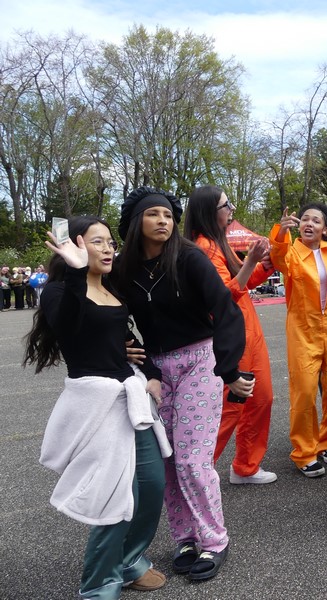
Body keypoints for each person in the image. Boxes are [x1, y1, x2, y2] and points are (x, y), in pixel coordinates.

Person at [24, 216, 170, 599]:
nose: (108, 249)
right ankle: (98, 585)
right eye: (98, 242)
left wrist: (152, 374)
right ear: (75, 246)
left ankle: (130, 561)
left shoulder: (111, 290)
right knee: (115, 495)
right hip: (98, 405)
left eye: (110, 243)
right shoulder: (58, 291)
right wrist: (75, 273)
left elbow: (129, 341)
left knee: (152, 486)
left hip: (131, 399)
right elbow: (68, 327)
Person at [115, 186, 248, 581]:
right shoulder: (123, 268)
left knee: (192, 459)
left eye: (168, 215)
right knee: (169, 459)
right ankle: (186, 537)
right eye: (152, 214)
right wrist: (130, 348)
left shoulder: (189, 258)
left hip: (199, 361)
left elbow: (225, 310)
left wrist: (229, 370)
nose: (163, 221)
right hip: (156, 371)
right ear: (135, 222)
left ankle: (215, 540)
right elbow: (107, 314)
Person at [184, 185, 278, 484]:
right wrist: (251, 261)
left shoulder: (218, 242)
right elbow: (224, 296)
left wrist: (265, 263)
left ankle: (245, 467)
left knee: (261, 399)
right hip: (232, 337)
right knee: (230, 408)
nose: (232, 210)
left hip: (249, 331)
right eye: (227, 205)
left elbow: (244, 282)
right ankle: (197, 473)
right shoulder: (203, 248)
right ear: (209, 212)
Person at [269, 203, 327, 477]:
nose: (309, 224)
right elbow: (277, 257)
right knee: (304, 392)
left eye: (316, 221)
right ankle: (304, 452)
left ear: (325, 228)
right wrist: (281, 231)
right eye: (305, 219)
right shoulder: (292, 252)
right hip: (303, 329)